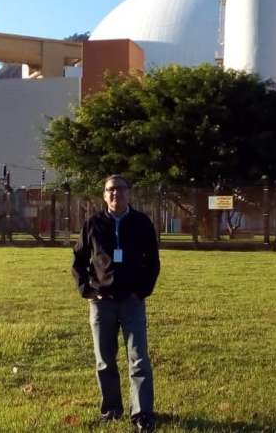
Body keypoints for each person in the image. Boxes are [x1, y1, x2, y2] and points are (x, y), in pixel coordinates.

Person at [72, 174, 160, 432]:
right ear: (104, 195)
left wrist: (141, 291)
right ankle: (111, 409)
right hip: (102, 302)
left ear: (129, 193)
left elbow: (152, 262)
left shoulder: (141, 223)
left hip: (132, 301)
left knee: (139, 358)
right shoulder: (93, 224)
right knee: (104, 360)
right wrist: (87, 290)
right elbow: (78, 261)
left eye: (120, 189)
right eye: (110, 190)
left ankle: (142, 413)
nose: (115, 194)